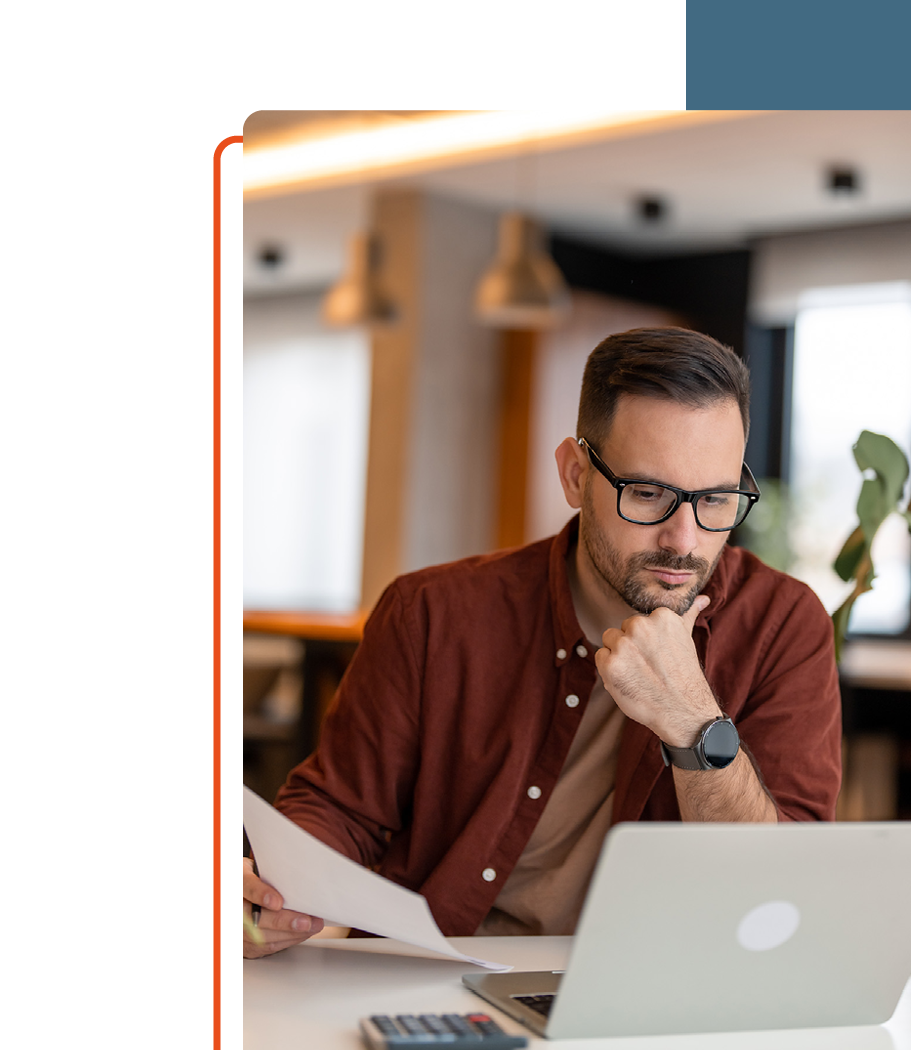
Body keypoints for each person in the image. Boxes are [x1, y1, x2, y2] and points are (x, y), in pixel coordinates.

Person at [244, 327, 842, 958]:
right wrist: (269, 899)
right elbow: (341, 809)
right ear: (575, 474)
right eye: (647, 494)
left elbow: (779, 896)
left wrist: (692, 720)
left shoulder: (782, 625)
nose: (684, 540)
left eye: (716, 500)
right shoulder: (432, 614)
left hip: (651, 996)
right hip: (430, 979)